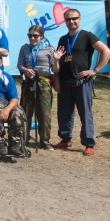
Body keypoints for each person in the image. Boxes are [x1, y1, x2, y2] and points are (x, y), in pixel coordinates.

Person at [53, 9, 110, 156]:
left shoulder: (87, 36)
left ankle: (89, 144)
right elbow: (58, 62)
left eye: (74, 19)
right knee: (64, 113)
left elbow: (106, 51)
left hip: (82, 83)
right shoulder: (62, 39)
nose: (71, 21)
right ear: (64, 21)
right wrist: (57, 81)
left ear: (80, 19)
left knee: (85, 114)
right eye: (68, 19)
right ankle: (66, 140)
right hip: (65, 83)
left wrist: (95, 70)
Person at [17, 25, 55, 150]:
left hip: (43, 82)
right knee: (25, 111)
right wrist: (25, 70)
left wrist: (58, 61)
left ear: (42, 36)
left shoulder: (49, 49)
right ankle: (23, 138)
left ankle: (45, 141)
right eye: (30, 36)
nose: (32, 38)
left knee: (44, 113)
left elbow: (54, 68)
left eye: (35, 36)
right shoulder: (24, 48)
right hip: (28, 82)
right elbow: (20, 64)